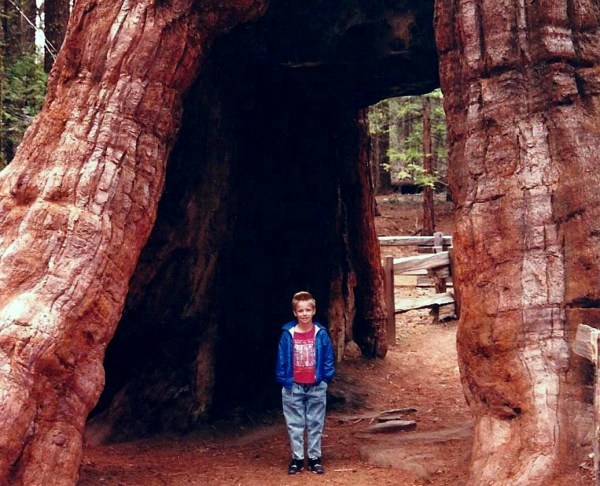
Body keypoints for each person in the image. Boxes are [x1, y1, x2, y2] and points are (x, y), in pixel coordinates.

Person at [275, 291, 335, 475]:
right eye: (300, 310)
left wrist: (325, 377)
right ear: (295, 313)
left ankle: (315, 457)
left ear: (314, 311)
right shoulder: (288, 334)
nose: (304, 314)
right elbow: (282, 358)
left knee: (316, 422)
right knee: (295, 423)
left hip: (316, 385)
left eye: (308, 310)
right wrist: (284, 380)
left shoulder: (320, 333)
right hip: (294, 386)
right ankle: (298, 458)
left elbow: (328, 357)